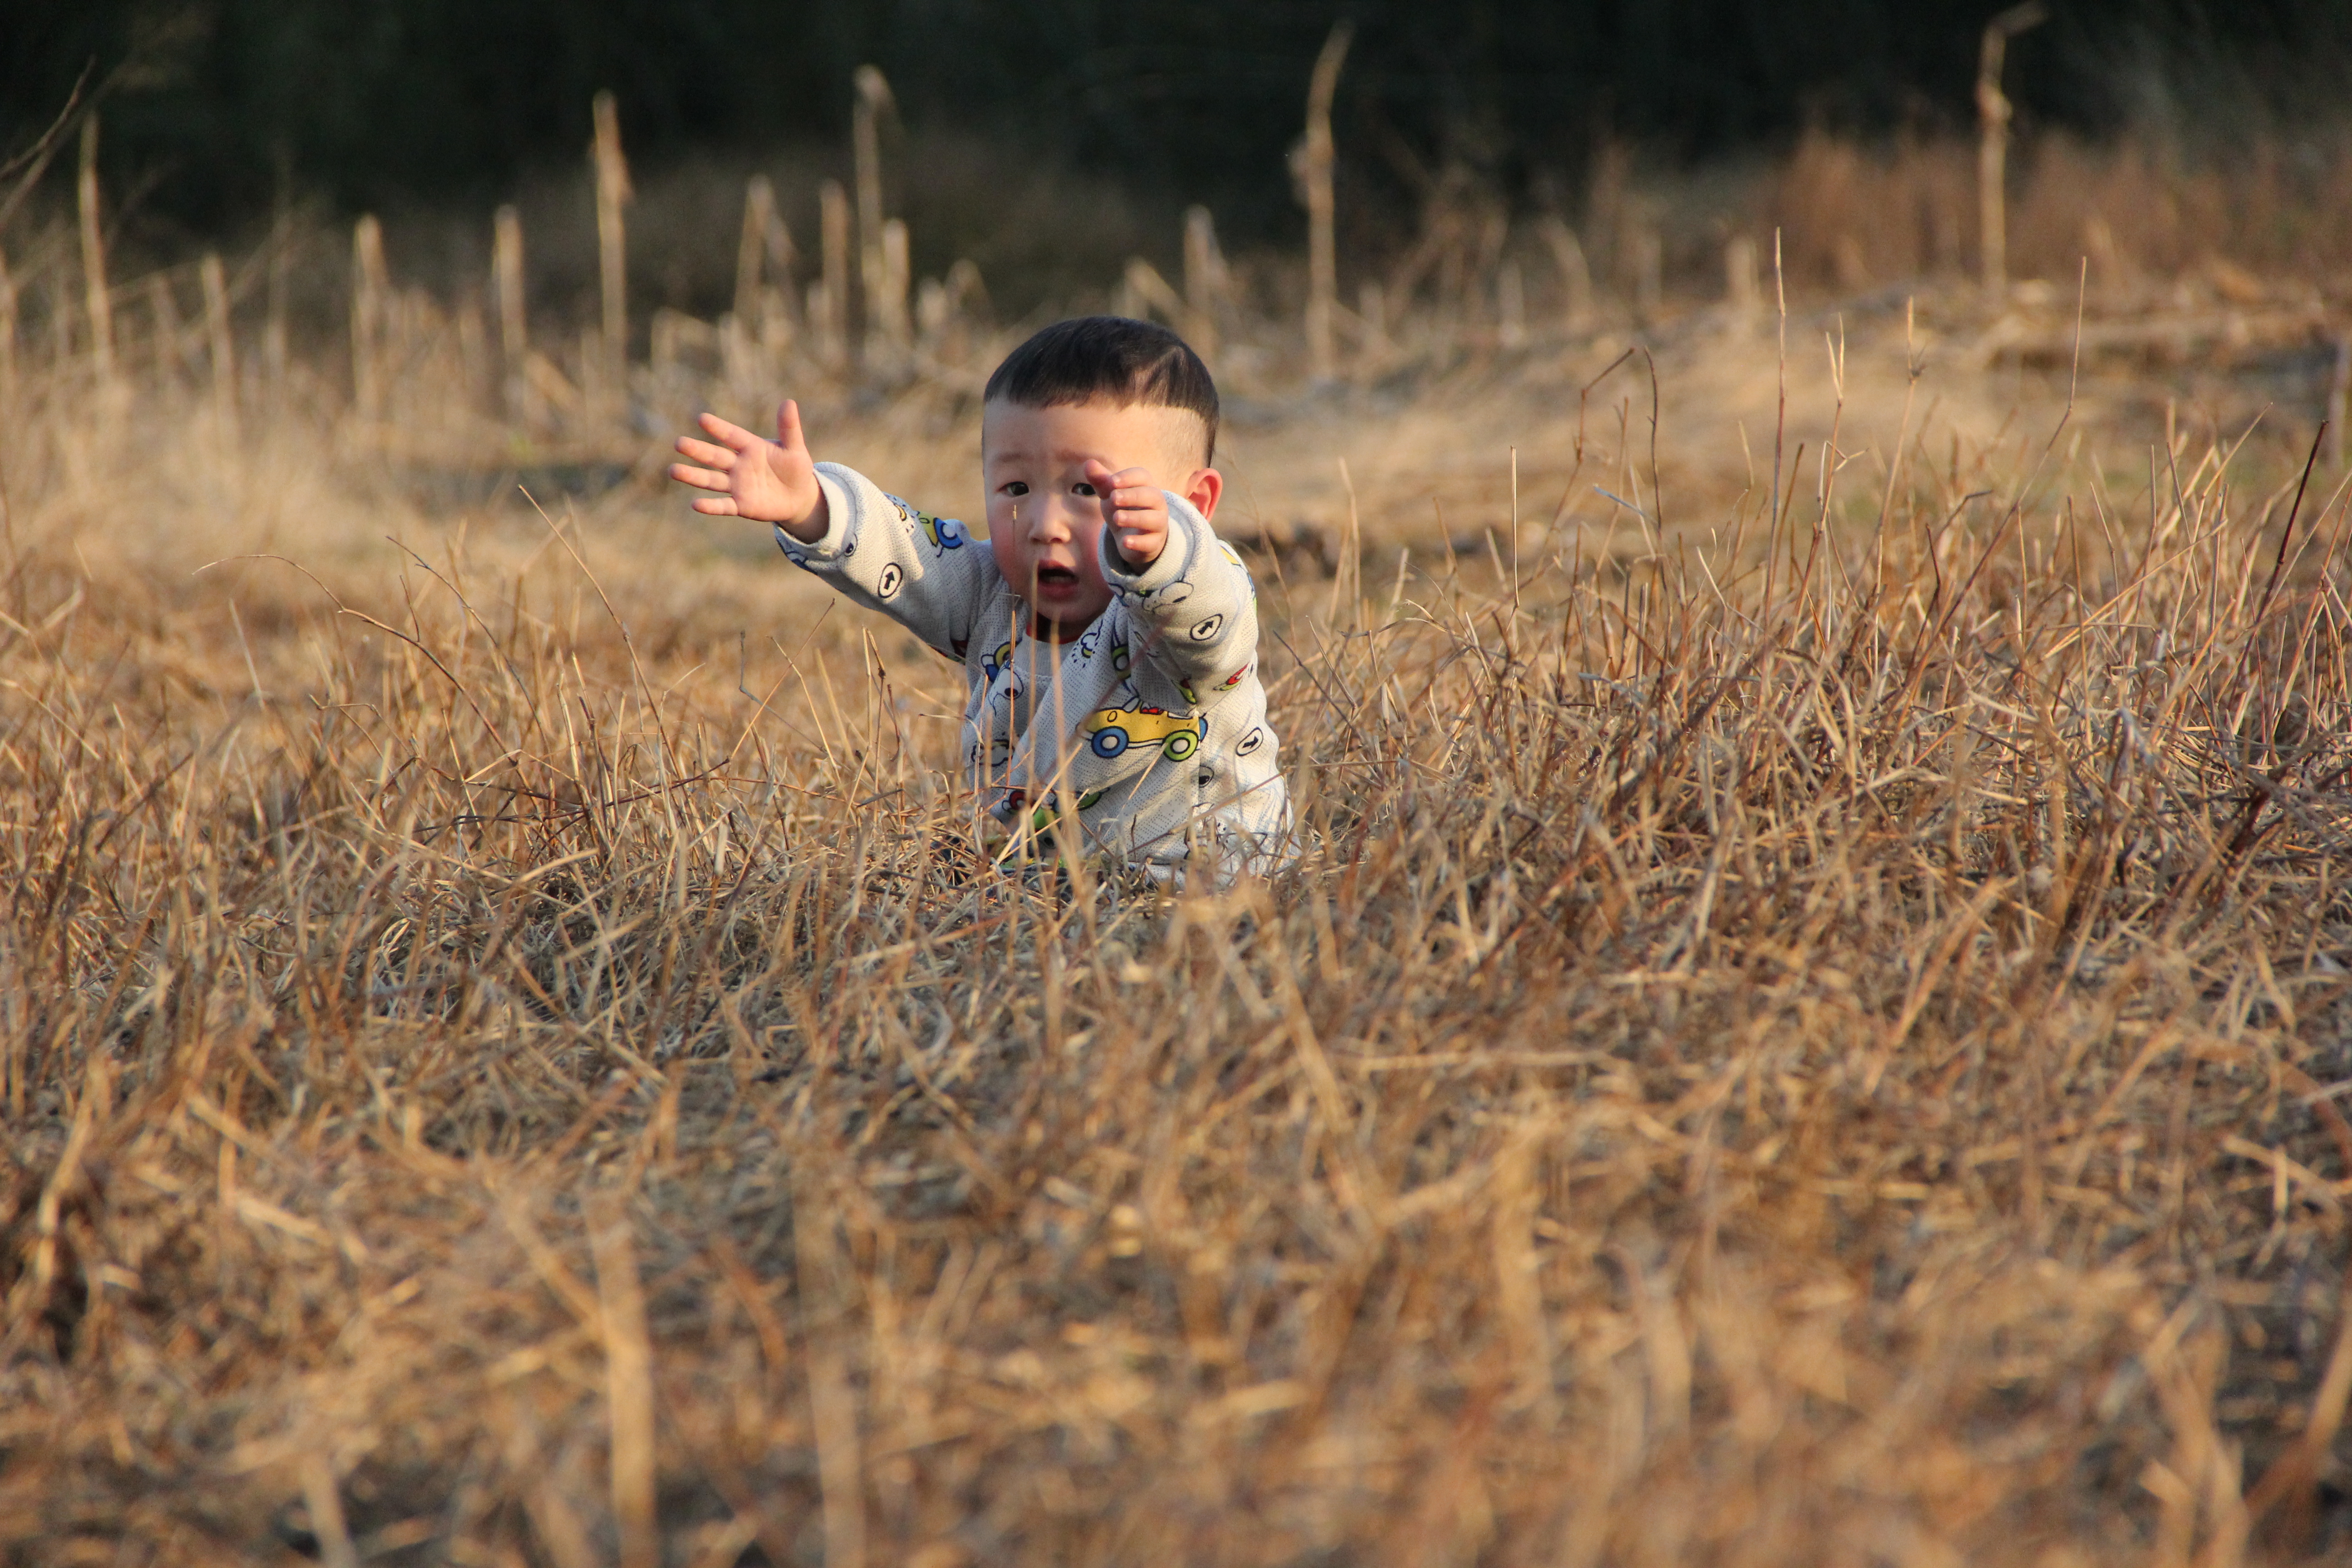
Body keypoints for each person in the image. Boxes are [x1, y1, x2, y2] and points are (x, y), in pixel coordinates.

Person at [669, 315, 1288, 884]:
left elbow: (1211, 609)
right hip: (1043, 899)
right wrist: (813, 508)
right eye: (1016, 486)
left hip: (1206, 891)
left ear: (1195, 504)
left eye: (1087, 489)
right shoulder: (995, 593)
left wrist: (1162, 550)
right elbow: (908, 553)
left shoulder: (1185, 608)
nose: (1045, 522)